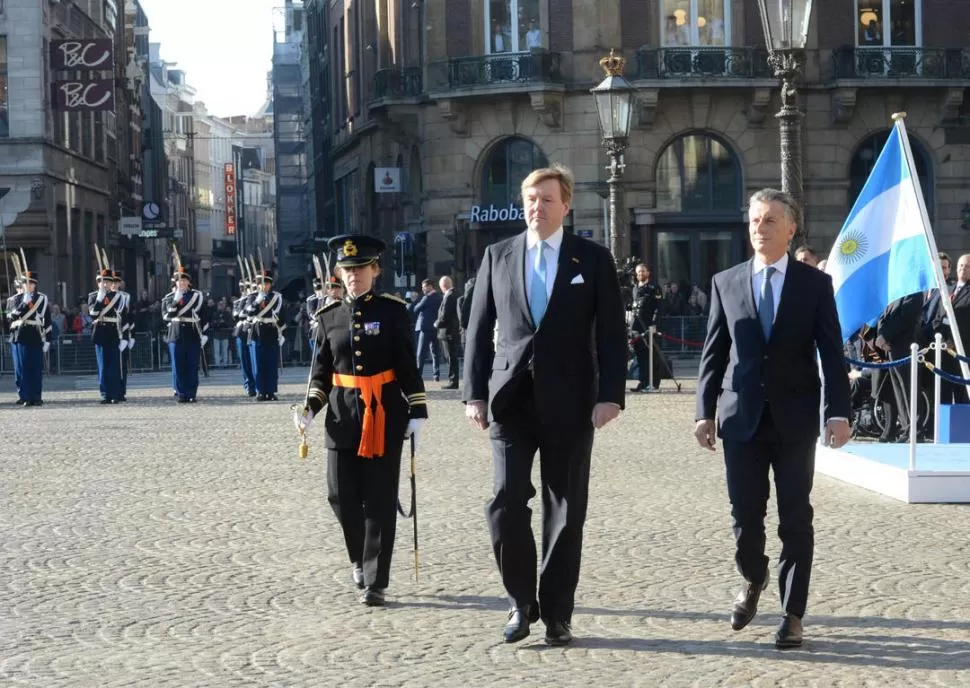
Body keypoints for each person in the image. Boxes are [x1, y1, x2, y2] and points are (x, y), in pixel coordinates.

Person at [462, 164, 627, 646]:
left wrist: (610, 395)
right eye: (531, 199)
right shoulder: (498, 254)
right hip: (510, 400)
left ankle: (557, 612)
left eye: (547, 199)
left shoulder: (591, 260)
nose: (537, 207)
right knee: (505, 502)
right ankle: (520, 601)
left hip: (572, 401)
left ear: (566, 205)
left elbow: (613, 333)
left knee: (565, 507)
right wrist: (474, 392)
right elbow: (477, 329)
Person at [694, 188, 851, 650]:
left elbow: (831, 352)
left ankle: (792, 612)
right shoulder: (726, 282)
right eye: (754, 221)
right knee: (745, 517)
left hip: (795, 419)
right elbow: (713, 354)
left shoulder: (813, 284)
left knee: (795, 518)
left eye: (768, 222)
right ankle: (753, 576)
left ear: (790, 228)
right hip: (740, 417)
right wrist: (704, 412)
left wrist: (837, 412)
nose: (759, 230)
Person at [293, 234, 428, 607]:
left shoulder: (392, 311)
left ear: (375, 270)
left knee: (381, 500)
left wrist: (417, 410)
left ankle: (375, 579)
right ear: (340, 273)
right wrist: (308, 409)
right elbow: (321, 375)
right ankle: (358, 557)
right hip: (341, 417)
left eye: (361, 269)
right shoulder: (327, 317)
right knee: (340, 497)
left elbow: (406, 365)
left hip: (383, 413)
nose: (354, 276)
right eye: (348, 270)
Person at [163, 264, 208, 403]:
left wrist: (204, 333)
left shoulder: (196, 296)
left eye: (184, 280)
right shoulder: (169, 298)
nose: (181, 282)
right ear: (175, 282)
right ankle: (182, 393)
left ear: (189, 281)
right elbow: (166, 316)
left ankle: (191, 393)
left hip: (192, 333)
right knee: (178, 365)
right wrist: (176, 300)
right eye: (179, 280)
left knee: (192, 365)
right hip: (175, 334)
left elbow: (203, 314)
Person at [6, 270, 52, 406]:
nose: (29, 286)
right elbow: (10, 317)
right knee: (22, 368)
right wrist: (23, 304)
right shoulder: (15, 299)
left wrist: (48, 340)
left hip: (36, 335)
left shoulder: (41, 298)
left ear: (35, 285)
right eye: (26, 283)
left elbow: (47, 320)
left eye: (31, 284)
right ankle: (25, 396)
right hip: (20, 335)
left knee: (36, 368)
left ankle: (36, 396)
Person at [244, 269, 284, 401]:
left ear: (270, 284)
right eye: (262, 284)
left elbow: (279, 314)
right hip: (257, 332)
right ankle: (260, 391)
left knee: (271, 364)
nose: (264, 286)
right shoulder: (252, 296)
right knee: (258, 363)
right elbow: (249, 314)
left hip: (271, 331)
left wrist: (281, 332)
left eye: (267, 283)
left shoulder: (276, 297)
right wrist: (257, 301)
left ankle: (271, 391)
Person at [89, 269, 125, 404]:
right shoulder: (93, 296)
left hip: (113, 332)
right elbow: (93, 314)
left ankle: (114, 394)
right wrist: (99, 298)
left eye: (108, 282)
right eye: (102, 282)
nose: (105, 285)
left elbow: (121, 312)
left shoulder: (118, 296)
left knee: (113, 366)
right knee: (103, 366)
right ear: (98, 283)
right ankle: (105, 394)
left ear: (111, 283)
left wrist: (125, 337)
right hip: (100, 333)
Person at [630, 263, 663, 393]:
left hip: (649, 326)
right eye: (638, 272)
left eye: (643, 272)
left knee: (652, 355)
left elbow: (658, 307)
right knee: (640, 356)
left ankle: (653, 383)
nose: (640, 274)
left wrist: (655, 323)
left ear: (648, 273)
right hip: (636, 327)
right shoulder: (635, 288)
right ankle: (643, 382)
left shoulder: (654, 288)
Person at [412, 278, 442, 381]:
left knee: (421, 353)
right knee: (435, 352)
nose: (423, 289)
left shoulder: (426, 298)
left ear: (430, 286)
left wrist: (416, 300)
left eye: (424, 287)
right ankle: (436, 375)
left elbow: (415, 309)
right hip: (436, 328)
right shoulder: (439, 297)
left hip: (425, 329)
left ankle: (418, 374)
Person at [233, 276, 258, 397]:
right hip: (242, 333)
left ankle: (258, 384)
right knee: (245, 361)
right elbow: (237, 314)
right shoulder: (239, 302)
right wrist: (245, 300)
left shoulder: (255, 300)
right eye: (247, 288)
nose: (248, 290)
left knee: (254, 361)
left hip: (254, 331)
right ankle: (249, 385)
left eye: (251, 287)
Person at [435, 275, 461, 389]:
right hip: (452, 331)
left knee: (450, 357)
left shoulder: (450, 296)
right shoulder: (455, 293)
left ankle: (453, 380)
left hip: (448, 331)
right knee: (451, 357)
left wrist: (436, 324)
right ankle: (453, 379)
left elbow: (445, 315)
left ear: (443, 286)